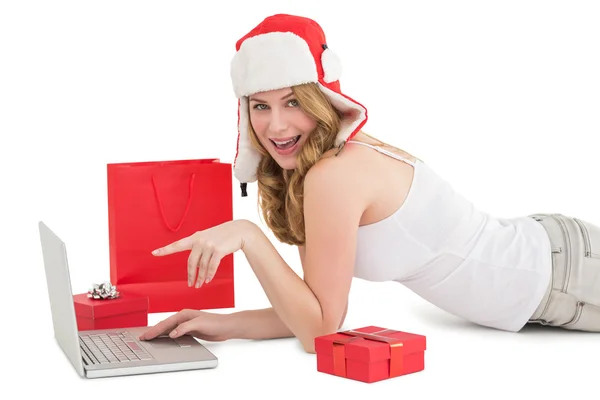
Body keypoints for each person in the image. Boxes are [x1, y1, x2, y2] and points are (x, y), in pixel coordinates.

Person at [139, 13, 600, 353]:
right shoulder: (310, 173)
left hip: (562, 275)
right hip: (547, 265)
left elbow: (319, 332)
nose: (276, 126)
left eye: (292, 101)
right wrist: (222, 324)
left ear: (322, 100)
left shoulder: (333, 175)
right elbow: (316, 313)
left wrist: (248, 236)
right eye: (260, 106)